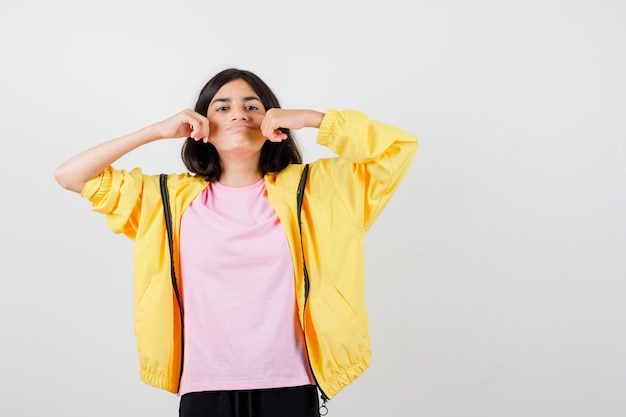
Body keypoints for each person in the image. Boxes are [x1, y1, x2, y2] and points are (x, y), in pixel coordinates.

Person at [54, 68, 418, 417]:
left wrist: (310, 118)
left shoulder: (321, 190)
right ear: (201, 127)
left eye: (252, 106)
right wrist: (156, 131)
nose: (238, 114)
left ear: (273, 120)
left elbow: (396, 150)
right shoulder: (164, 200)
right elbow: (69, 175)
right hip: (204, 389)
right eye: (222, 107)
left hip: (292, 385)